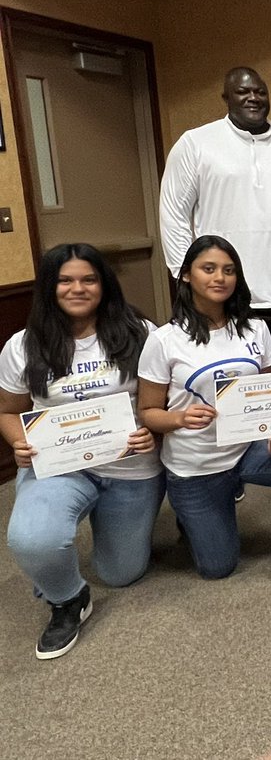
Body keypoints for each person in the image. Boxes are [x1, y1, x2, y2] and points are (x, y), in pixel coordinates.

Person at [137, 236, 271, 589]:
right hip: (197, 466)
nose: (220, 277)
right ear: (186, 275)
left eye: (229, 270)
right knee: (218, 567)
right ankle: (192, 521)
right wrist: (179, 419)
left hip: (248, 449)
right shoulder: (164, 340)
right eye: (209, 269)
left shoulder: (255, 329)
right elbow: (148, 411)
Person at [0, 244, 163, 660]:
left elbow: (160, 403)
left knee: (121, 574)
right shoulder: (22, 345)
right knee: (33, 539)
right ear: (49, 288)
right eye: (65, 280)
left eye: (88, 279)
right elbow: (8, 411)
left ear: (104, 285)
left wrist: (151, 434)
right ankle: (67, 598)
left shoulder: (141, 333)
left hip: (129, 465)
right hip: (59, 466)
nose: (78, 288)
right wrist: (17, 441)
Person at [158, 67, 271, 411]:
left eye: (260, 91)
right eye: (243, 92)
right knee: (238, 401)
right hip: (229, 300)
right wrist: (184, 276)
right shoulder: (196, 144)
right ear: (226, 98)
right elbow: (173, 213)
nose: (253, 98)